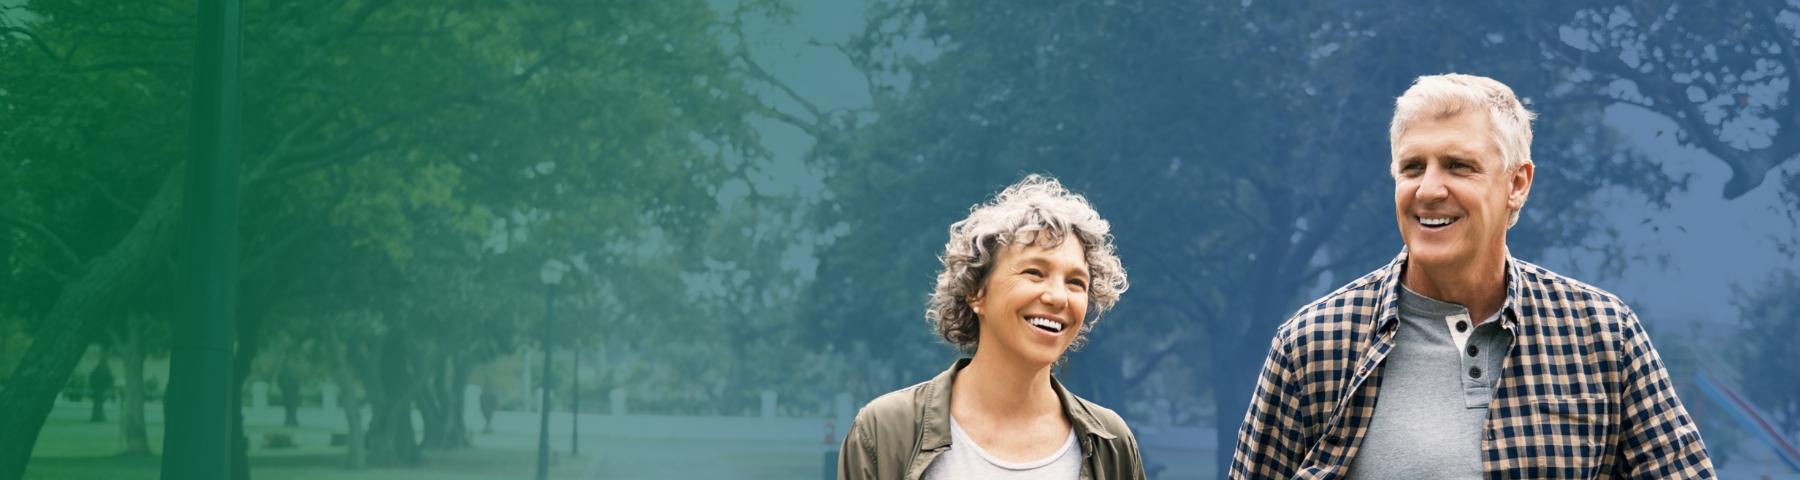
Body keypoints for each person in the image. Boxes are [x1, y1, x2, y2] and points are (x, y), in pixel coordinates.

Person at [1229, 74, 1714, 479]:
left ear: (1517, 184)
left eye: (1459, 166)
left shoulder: (1603, 334)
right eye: (1413, 166)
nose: (1430, 189)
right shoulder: (1313, 344)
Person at [837, 174, 1144, 480]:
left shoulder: (1111, 443)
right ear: (975, 291)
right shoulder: (884, 430)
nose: (1058, 297)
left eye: (1076, 282)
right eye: (1035, 272)